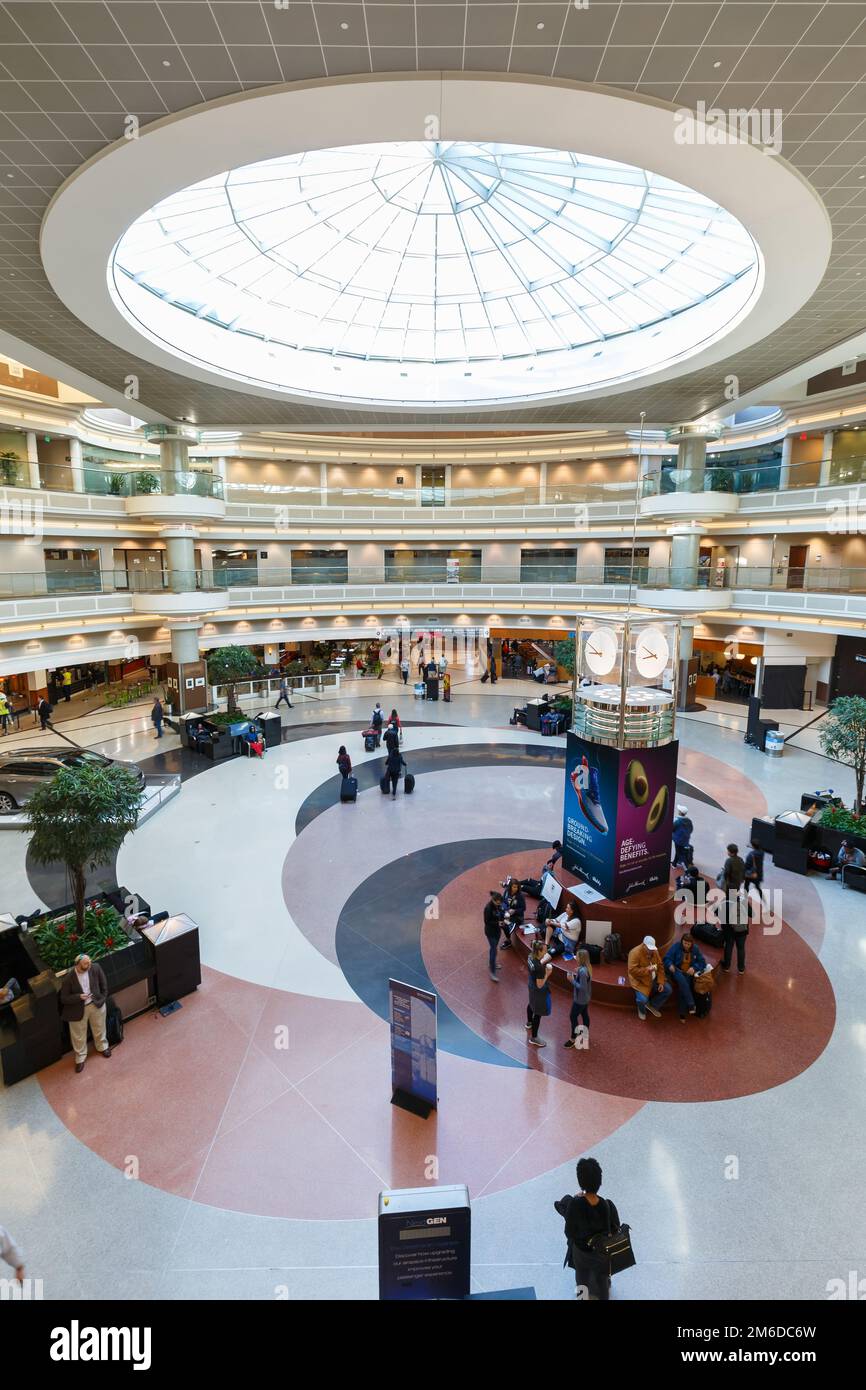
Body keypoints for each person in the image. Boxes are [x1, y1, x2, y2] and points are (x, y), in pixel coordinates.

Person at [556, 1156, 621, 1300]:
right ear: (599, 1182)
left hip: (581, 1252)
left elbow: (569, 1232)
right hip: (601, 1253)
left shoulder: (575, 1204)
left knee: (581, 1277)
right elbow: (611, 1228)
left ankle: (582, 1298)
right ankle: (604, 1296)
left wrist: (576, 1199)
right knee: (602, 1279)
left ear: (581, 1182)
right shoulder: (605, 1204)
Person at [59, 953, 111, 1074]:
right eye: (85, 964)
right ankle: (80, 1058)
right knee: (78, 1035)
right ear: (77, 965)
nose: (89, 965)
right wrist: (78, 997)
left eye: (89, 962)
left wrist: (102, 999)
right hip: (77, 1009)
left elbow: (104, 985)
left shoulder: (95, 968)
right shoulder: (68, 978)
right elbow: (64, 998)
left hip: (96, 1004)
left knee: (100, 1028)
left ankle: (103, 1046)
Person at [663, 931, 708, 1022]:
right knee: (682, 981)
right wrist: (670, 965)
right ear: (682, 942)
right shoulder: (676, 946)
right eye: (684, 943)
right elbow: (666, 958)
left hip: (687, 973)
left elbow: (702, 962)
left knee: (683, 986)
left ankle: (682, 1012)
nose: (686, 945)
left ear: (691, 944)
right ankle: (691, 1004)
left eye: (688, 944)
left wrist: (694, 968)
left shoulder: (695, 949)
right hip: (676, 970)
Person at [627, 935, 671, 1020]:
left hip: (653, 979)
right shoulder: (634, 953)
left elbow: (661, 966)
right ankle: (642, 1010)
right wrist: (647, 970)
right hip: (640, 981)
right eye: (649, 949)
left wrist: (661, 981)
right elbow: (632, 971)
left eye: (652, 949)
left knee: (668, 990)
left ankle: (652, 1005)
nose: (651, 951)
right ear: (643, 945)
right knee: (642, 1000)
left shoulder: (655, 951)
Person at [710, 889, 750, 975]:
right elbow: (751, 914)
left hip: (728, 930)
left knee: (728, 946)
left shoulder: (724, 902)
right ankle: (741, 968)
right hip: (742, 930)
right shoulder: (743, 902)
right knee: (741, 948)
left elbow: (715, 913)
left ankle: (727, 966)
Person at [525, 940, 552, 1048]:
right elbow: (540, 985)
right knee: (538, 1012)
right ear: (539, 951)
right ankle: (534, 1037)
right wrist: (547, 973)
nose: (546, 951)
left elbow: (536, 966)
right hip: (538, 989)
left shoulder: (530, 956)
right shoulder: (540, 968)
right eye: (545, 950)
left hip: (531, 984)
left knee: (531, 1003)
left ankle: (529, 1023)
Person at [564, 948, 592, 1049]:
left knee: (573, 1016)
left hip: (580, 999)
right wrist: (579, 971)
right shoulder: (586, 968)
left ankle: (572, 1038)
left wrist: (572, 980)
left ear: (581, 958)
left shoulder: (583, 972)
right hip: (586, 998)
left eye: (577, 956)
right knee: (584, 1014)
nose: (575, 958)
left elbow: (582, 988)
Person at [499, 878, 526, 950]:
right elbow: (504, 901)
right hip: (507, 913)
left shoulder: (520, 896)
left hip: (517, 917)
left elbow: (523, 908)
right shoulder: (507, 892)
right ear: (510, 886)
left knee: (504, 924)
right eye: (514, 887)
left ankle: (508, 941)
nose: (515, 889)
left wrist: (514, 911)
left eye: (516, 887)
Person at [484, 891, 503, 981]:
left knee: (494, 948)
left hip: (497, 931)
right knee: (493, 950)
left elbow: (500, 913)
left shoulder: (498, 905)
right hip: (490, 932)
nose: (499, 904)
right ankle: (492, 972)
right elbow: (487, 922)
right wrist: (498, 923)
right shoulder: (488, 908)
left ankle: (493, 964)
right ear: (493, 900)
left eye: (500, 902)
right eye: (497, 902)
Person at [744, 838, 765, 903]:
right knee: (757, 887)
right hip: (758, 873)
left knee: (746, 886)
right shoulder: (762, 852)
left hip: (750, 874)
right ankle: (763, 900)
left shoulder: (751, 854)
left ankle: (745, 899)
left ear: (753, 846)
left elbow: (747, 865)